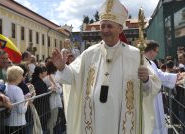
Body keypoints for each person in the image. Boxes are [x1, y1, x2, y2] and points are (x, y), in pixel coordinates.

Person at [51, 0, 162, 133]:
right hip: (93, 120)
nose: (105, 30)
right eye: (102, 26)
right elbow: (73, 78)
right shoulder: (89, 54)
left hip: (122, 123)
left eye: (109, 26)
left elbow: (153, 87)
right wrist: (62, 68)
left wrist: (146, 80)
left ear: (120, 28)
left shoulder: (135, 55)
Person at [144, 40, 178, 134]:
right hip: (149, 99)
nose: (157, 54)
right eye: (156, 51)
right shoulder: (143, 63)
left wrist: (176, 77)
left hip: (156, 97)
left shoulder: (151, 63)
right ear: (151, 51)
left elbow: (160, 75)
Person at [5, 65, 29, 134]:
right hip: (18, 124)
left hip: (7, 123)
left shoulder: (5, 86)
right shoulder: (17, 90)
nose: (22, 77)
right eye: (21, 75)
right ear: (16, 76)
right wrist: (27, 101)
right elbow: (21, 110)